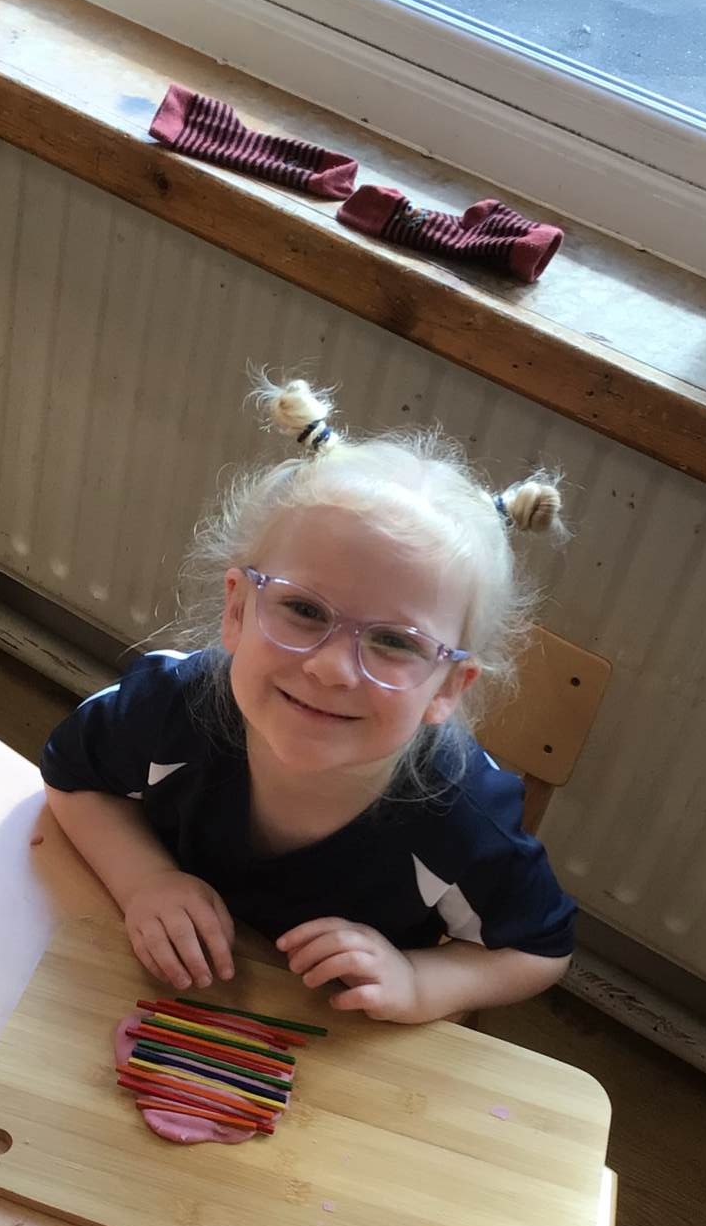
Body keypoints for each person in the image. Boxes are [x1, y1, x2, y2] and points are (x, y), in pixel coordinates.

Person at [41, 377, 577, 1023]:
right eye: (303, 609)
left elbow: (540, 948)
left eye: (394, 641)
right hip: (140, 998)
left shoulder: (463, 814)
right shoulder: (170, 703)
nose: (330, 668)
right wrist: (143, 879)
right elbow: (72, 776)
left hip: (324, 1046)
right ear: (237, 609)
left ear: (447, 688)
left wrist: (418, 982)